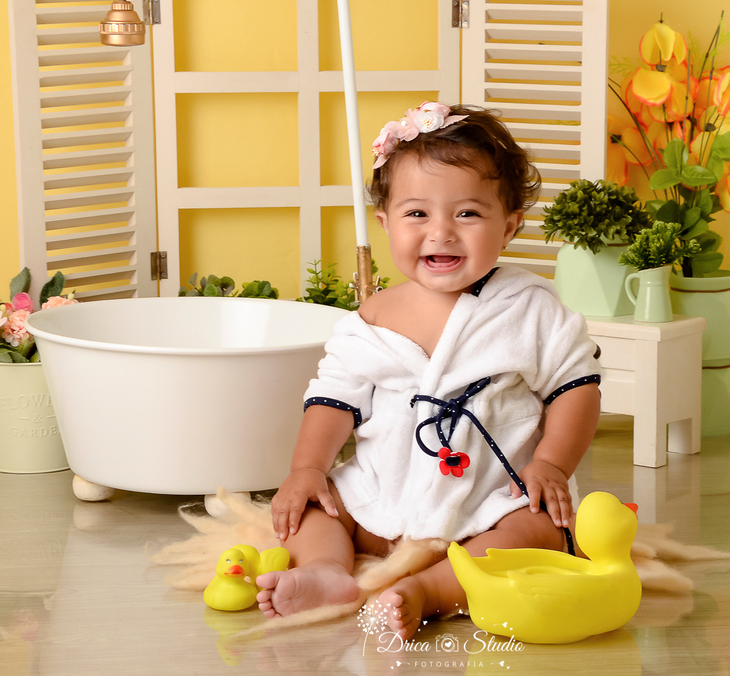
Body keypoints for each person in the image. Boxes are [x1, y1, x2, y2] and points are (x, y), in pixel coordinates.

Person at [255, 102, 602, 641]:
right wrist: (306, 468)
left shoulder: (530, 309)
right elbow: (332, 399)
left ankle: (429, 591)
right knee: (316, 508)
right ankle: (327, 571)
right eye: (417, 214)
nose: (441, 233)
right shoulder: (371, 317)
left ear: (508, 226)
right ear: (385, 222)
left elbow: (575, 386)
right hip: (384, 494)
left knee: (540, 531)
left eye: (467, 214)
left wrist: (553, 463)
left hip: (487, 500)